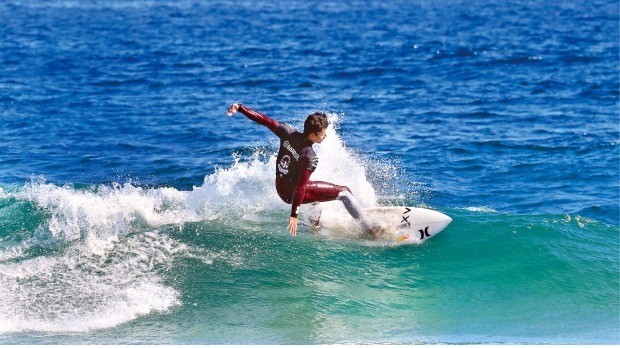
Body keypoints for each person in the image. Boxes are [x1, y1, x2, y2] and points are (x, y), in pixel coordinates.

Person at [227, 103, 381, 237]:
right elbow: (301, 187)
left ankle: (316, 226)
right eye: (323, 133)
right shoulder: (309, 156)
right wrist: (294, 215)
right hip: (291, 193)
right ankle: (371, 230)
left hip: (281, 186)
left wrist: (240, 108)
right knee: (344, 192)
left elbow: (264, 120)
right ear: (313, 134)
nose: (325, 136)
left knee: (314, 193)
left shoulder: (287, 132)